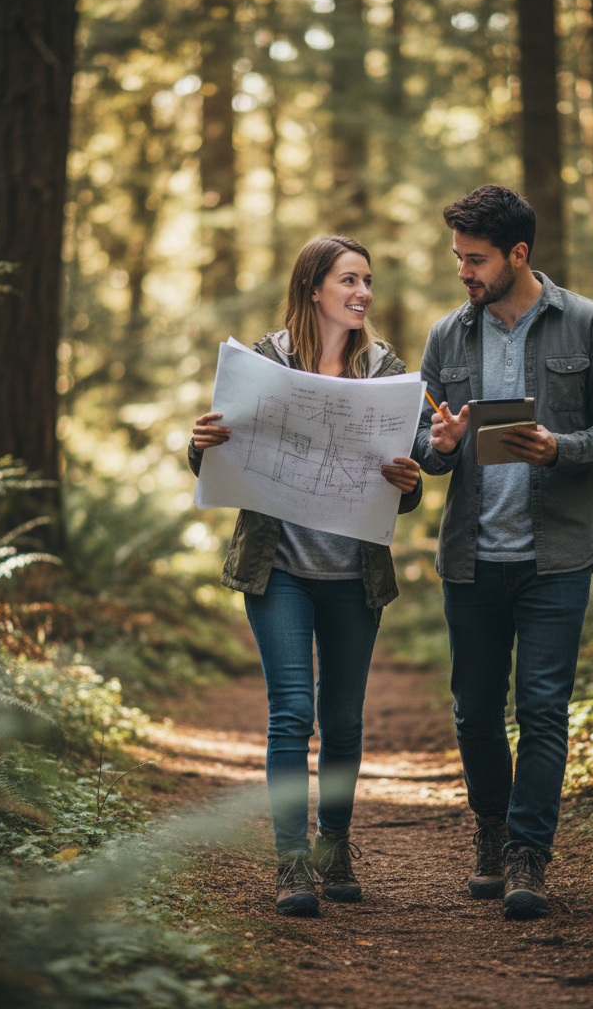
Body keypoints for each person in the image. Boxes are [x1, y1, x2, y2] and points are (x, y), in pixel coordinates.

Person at [412, 185, 593, 921]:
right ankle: (491, 827)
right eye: (458, 259)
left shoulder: (587, 324)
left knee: (542, 710)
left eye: (475, 260)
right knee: (476, 713)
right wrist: (437, 446)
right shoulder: (449, 336)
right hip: (472, 556)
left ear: (519, 254)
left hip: (559, 556)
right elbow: (426, 449)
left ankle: (527, 854)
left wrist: (560, 448)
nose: (464, 274)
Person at [188, 235, 422, 918]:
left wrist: (408, 481)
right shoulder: (264, 363)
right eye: (350, 280)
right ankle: (291, 861)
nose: (363, 293)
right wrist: (198, 445)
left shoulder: (387, 372)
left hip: (355, 574)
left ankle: (333, 846)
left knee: (343, 723)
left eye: (368, 281)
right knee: (291, 715)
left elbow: (404, 487)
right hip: (279, 568)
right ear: (314, 287)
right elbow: (217, 457)